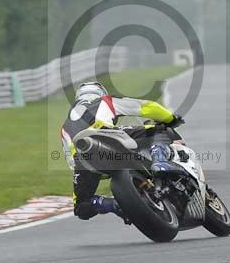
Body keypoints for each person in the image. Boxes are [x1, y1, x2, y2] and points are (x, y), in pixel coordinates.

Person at [59, 81, 184, 221]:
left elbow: (71, 162)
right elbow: (146, 107)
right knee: (160, 131)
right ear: (100, 93)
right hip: (104, 133)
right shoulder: (105, 100)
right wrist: (170, 118)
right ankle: (160, 161)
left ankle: (114, 205)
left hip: (83, 159)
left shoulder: (64, 128)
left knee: (81, 207)